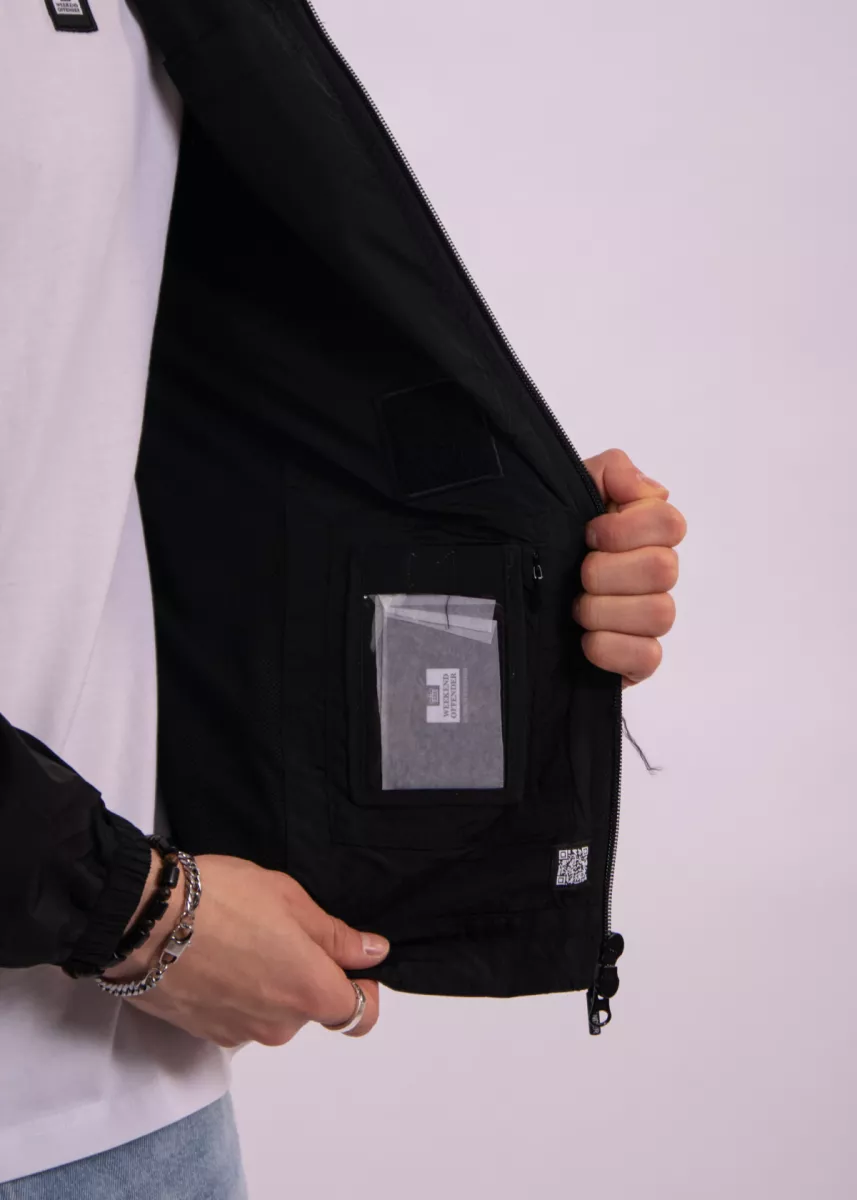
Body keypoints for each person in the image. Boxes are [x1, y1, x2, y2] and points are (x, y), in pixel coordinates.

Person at [0, 2, 686, 1197]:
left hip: (118, 1098)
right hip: (120, 956)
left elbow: (184, 425)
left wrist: (506, 567)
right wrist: (130, 910)